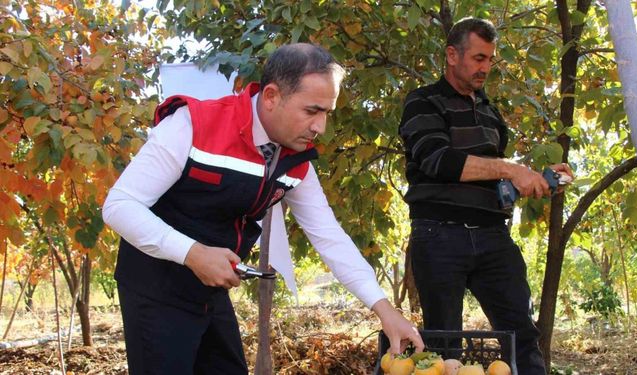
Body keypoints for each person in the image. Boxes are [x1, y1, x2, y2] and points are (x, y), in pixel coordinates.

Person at [103, 43, 424, 374]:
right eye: (312, 111)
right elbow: (119, 206)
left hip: (210, 291)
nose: (320, 127)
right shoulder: (193, 125)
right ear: (271, 96)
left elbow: (328, 235)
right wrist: (194, 254)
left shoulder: (295, 160)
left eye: (326, 113)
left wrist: (384, 310)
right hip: (155, 289)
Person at [398, 18, 573, 375]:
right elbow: (439, 160)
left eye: (490, 59)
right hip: (439, 234)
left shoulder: (491, 113)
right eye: (479, 58)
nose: (486, 68)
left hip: (493, 236)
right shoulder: (422, 102)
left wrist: (536, 179)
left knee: (522, 333)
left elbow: (491, 178)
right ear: (451, 54)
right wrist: (511, 169)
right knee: (445, 344)